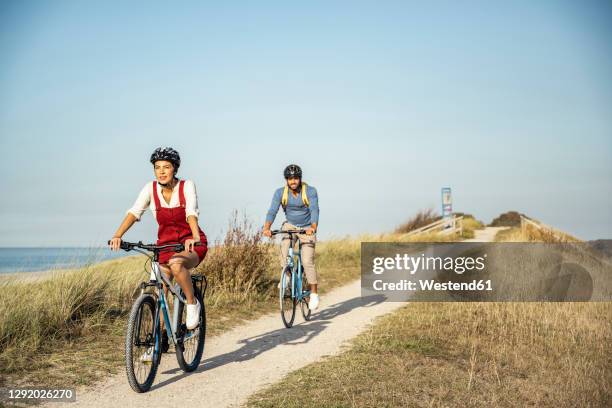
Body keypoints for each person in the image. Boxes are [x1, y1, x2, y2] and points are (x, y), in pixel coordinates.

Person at [109, 147, 207, 339]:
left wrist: (194, 237)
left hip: (191, 244)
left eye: (166, 167)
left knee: (176, 264)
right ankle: (157, 340)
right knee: (159, 289)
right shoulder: (150, 189)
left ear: (175, 169)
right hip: (165, 246)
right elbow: (135, 212)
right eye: (157, 167)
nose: (161, 171)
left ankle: (192, 303)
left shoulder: (187, 186)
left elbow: (191, 213)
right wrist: (117, 235)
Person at [263, 164, 320, 310]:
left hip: (307, 228)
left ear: (300, 178)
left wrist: (313, 228)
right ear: (286, 180)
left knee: (307, 261)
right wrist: (267, 228)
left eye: (295, 178)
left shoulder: (310, 191)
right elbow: (272, 210)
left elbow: (314, 209)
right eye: (290, 178)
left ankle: (313, 293)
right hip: (290, 225)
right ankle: (287, 275)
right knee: (284, 250)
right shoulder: (280, 193)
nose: (293, 181)